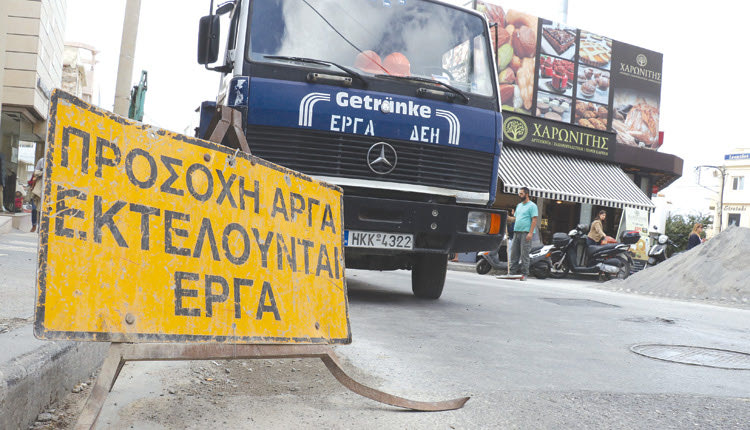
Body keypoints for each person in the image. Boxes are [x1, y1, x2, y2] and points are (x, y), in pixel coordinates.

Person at [509, 187, 538, 279]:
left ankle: (524, 274)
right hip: (516, 232)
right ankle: (512, 273)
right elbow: (515, 219)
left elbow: (534, 220)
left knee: (524, 254)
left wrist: (530, 233)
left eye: (521, 193)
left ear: (526, 194)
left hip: (525, 233)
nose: (519, 195)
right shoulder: (519, 205)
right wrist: (508, 218)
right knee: (514, 253)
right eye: (519, 193)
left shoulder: (532, 206)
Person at [29, 157, 44, 232]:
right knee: (34, 208)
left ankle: (40, 226)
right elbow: (35, 172)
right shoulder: (42, 160)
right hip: (38, 188)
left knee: (42, 209)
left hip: (48, 189)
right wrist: (43, 172)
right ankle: (34, 224)